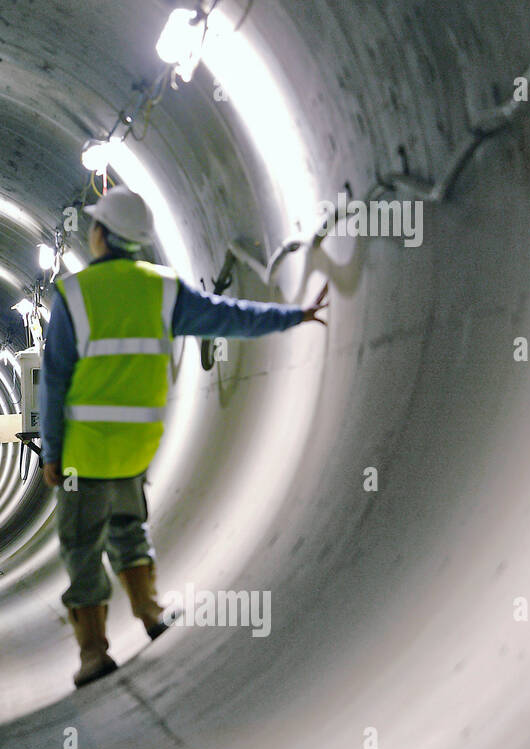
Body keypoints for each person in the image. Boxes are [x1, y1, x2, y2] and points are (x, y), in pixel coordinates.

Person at [39, 186, 329, 687]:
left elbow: (56, 379)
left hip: (85, 452)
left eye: (94, 225)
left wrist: (51, 450)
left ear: (103, 236)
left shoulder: (72, 295)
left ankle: (93, 652)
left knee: (82, 545)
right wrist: (293, 316)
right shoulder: (164, 289)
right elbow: (229, 316)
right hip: (137, 445)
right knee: (129, 527)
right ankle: (151, 613)